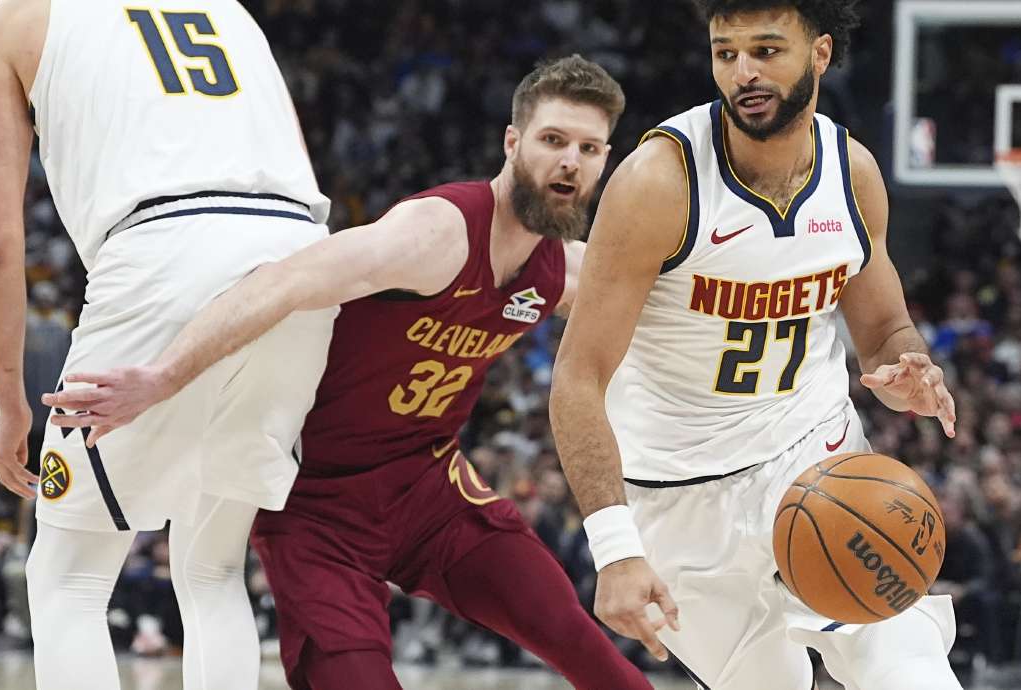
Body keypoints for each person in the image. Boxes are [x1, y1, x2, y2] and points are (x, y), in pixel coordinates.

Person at [44, 56, 655, 690]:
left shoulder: (564, 270)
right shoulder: (435, 233)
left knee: (586, 647)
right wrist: (163, 377)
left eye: (588, 149)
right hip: (318, 506)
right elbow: (279, 284)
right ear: (512, 142)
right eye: (553, 140)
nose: (570, 162)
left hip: (430, 490)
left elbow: (677, 308)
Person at [548, 2, 964, 689]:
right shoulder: (659, 183)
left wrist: (908, 367)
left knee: (910, 668)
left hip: (817, 460)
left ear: (820, 54)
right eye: (726, 53)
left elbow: (885, 329)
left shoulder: (851, 173)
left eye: (766, 51)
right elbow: (577, 377)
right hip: (677, 497)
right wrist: (614, 547)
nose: (743, 72)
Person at [0, 1, 336, 688]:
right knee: (213, 570)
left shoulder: (13, 18)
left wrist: (10, 401)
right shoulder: (232, 11)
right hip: (298, 257)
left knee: (67, 580)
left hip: (164, 249)